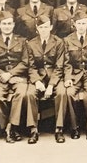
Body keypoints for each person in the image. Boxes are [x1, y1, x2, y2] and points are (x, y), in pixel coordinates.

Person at [0, 11, 30, 143]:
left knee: (21, 94)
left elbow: (25, 62)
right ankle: (7, 126)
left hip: (17, 76)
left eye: (9, 24)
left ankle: (12, 127)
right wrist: (3, 75)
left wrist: (11, 74)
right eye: (4, 24)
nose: (7, 26)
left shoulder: (22, 41)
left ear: (13, 25)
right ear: (0, 25)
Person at [27, 15, 66, 144]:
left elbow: (59, 66)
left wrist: (51, 85)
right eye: (41, 27)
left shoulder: (58, 42)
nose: (44, 30)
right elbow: (30, 66)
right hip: (38, 76)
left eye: (46, 27)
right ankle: (33, 129)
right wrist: (37, 81)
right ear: (37, 28)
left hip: (54, 76)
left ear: (50, 27)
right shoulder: (31, 43)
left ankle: (59, 128)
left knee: (61, 92)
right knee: (30, 94)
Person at [63, 11, 87, 140]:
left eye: (83, 23)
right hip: (74, 74)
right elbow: (66, 62)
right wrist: (68, 78)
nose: (81, 26)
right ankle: (74, 127)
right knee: (70, 93)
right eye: (79, 23)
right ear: (74, 24)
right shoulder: (67, 40)